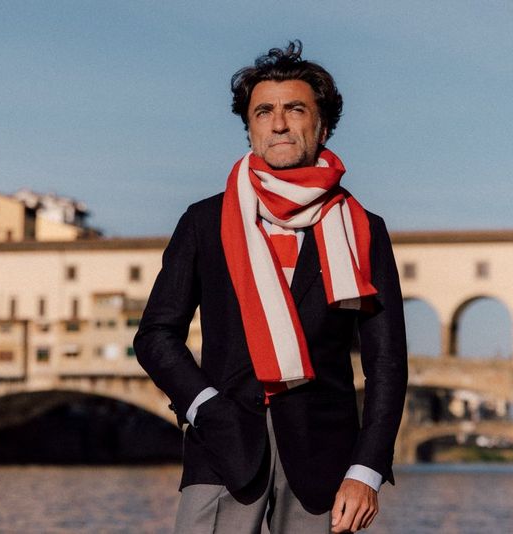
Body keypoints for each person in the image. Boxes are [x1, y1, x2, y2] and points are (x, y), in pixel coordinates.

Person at [134, 40, 408, 534]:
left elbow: (386, 363)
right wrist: (203, 407)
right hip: (221, 447)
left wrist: (366, 471)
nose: (278, 123)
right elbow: (155, 335)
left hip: (324, 459)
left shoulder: (365, 228)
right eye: (264, 112)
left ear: (323, 125)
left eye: (294, 109)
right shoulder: (204, 221)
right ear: (250, 129)